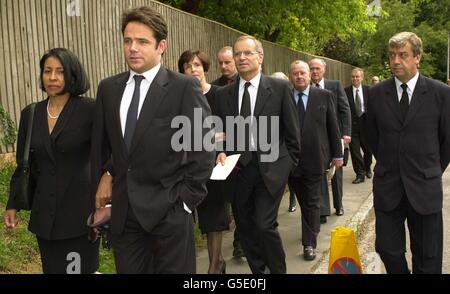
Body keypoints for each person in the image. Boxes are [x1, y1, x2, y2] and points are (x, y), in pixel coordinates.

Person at [90, 6, 214, 274]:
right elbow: (105, 147)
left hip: (169, 213)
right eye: (127, 40)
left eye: (142, 41)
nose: (133, 48)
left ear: (161, 46)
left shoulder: (183, 87)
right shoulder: (108, 89)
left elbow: (203, 150)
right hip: (124, 217)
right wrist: (105, 176)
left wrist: (184, 202)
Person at [4, 48, 98, 274]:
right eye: (47, 71)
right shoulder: (31, 113)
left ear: (72, 75)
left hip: (79, 216)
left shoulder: (91, 110)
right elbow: (24, 164)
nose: (52, 77)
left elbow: (109, 154)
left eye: (60, 71)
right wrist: (13, 203)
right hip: (45, 218)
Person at [215, 35, 300, 274]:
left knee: (264, 225)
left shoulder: (280, 88)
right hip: (239, 171)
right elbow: (216, 133)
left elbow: (293, 135)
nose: (241, 58)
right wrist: (219, 151)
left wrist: (287, 166)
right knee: (245, 228)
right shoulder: (223, 95)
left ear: (260, 57)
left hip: (270, 170)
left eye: (247, 53)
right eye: (237, 53)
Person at [367, 32, 450, 274]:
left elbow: (447, 141)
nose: (395, 61)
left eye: (402, 55)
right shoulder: (377, 94)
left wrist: (431, 169)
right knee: (388, 249)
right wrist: (391, 164)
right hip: (389, 185)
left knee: (428, 255)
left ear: (417, 58)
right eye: (392, 55)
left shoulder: (440, 94)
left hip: (425, 187)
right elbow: (373, 137)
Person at [178, 49, 229, 274]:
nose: (192, 70)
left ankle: (214, 267)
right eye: (187, 67)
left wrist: (220, 148)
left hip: (215, 165)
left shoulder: (219, 94)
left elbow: (229, 129)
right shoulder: (179, 95)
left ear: (205, 68)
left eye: (197, 65)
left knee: (213, 219)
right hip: (187, 166)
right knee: (188, 217)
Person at [288, 60, 343, 261]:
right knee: (303, 201)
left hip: (315, 159)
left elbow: (333, 127)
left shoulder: (324, 96)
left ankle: (309, 243)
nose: (299, 76)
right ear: (290, 76)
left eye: (303, 73)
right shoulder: (284, 97)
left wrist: (338, 155)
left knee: (312, 202)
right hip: (290, 162)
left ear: (310, 75)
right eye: (295, 73)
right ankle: (312, 228)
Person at [309, 58, 351, 223]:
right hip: (317, 139)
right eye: (311, 68)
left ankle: (339, 204)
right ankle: (323, 211)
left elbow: (345, 108)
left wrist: (346, 133)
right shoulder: (306, 88)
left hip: (335, 136)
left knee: (336, 172)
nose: (314, 72)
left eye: (317, 68)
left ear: (324, 70)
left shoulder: (335, 85)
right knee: (320, 174)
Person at [211, 46, 243, 259]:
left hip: (249, 153)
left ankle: (240, 243)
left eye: (227, 62)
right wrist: (219, 149)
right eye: (220, 62)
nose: (223, 66)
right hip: (225, 157)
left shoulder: (249, 84)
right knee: (232, 201)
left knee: (244, 201)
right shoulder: (215, 89)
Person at [271, 71, 297, 213]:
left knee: (291, 178)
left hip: (286, 149)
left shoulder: (289, 97)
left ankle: (292, 198)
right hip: (271, 151)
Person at [345, 68, 372, 184]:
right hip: (352, 127)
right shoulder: (345, 91)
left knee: (368, 151)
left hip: (366, 126)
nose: (355, 79)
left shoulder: (369, 91)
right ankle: (360, 174)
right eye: (353, 77)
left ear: (362, 78)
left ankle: (367, 168)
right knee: (355, 152)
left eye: (357, 76)